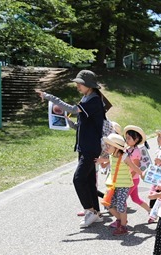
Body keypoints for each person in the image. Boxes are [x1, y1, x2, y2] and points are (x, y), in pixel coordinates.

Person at [37, 70, 109, 228]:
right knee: (89, 180)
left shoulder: (94, 100)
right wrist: (64, 120)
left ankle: (89, 210)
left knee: (78, 179)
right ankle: (96, 212)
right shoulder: (86, 98)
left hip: (90, 148)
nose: (77, 85)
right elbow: (80, 125)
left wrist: (49, 97)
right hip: (84, 147)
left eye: (79, 83)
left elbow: (72, 109)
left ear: (88, 85)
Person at [97, 133, 134, 236]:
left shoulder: (124, 156)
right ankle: (120, 220)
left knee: (121, 205)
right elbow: (105, 165)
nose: (106, 147)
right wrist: (100, 161)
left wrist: (141, 174)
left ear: (117, 148)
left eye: (109, 145)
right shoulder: (111, 155)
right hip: (114, 185)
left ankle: (123, 227)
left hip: (124, 184)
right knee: (108, 204)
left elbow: (133, 166)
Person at [122, 126, 150, 221]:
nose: (127, 140)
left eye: (129, 138)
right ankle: (151, 211)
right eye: (126, 137)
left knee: (122, 199)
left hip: (132, 179)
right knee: (135, 199)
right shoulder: (128, 149)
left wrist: (129, 178)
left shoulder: (137, 151)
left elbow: (136, 166)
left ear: (136, 139)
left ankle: (121, 220)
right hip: (130, 179)